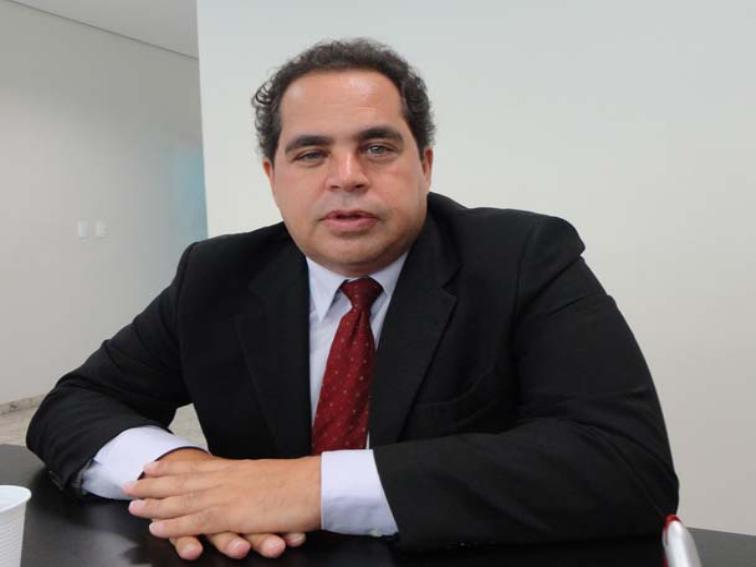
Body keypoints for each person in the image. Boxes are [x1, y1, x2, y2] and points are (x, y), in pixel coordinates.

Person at [27, 38, 678, 561]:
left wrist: (306, 486)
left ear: (424, 165)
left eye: (377, 147)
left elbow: (625, 464)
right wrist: (186, 476)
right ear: (273, 178)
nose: (347, 176)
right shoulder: (216, 275)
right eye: (311, 153)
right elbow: (74, 404)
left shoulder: (522, 257)